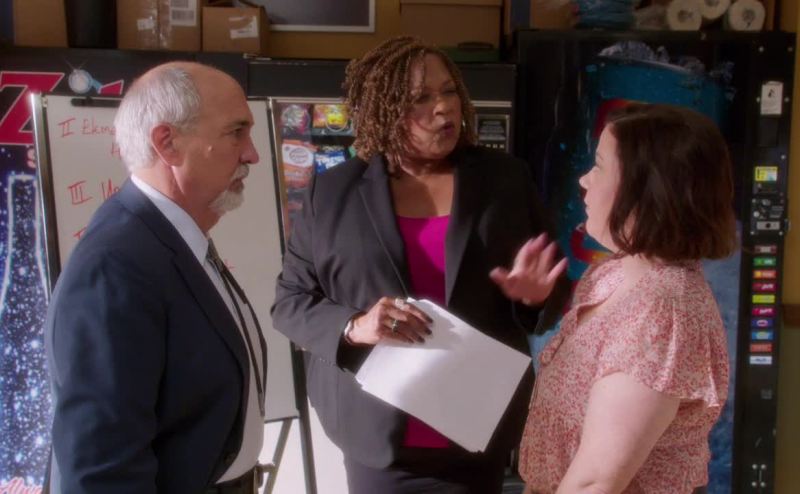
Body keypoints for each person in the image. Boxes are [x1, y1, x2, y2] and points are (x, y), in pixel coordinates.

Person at [271, 36, 566, 494]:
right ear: (384, 111)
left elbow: (552, 287)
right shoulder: (331, 194)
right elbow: (290, 303)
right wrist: (355, 326)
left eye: (449, 91)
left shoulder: (505, 180)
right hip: (377, 436)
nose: (444, 108)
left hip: (475, 428)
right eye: (420, 99)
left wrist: (537, 298)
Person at [44, 61, 267, 494]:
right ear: (167, 143)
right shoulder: (115, 265)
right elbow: (101, 470)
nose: (252, 154)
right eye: (236, 132)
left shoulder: (172, 239)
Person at [517, 103, 736, 494]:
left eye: (600, 166)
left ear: (647, 192)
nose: (584, 180)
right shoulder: (612, 273)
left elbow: (595, 482)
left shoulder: (662, 310)